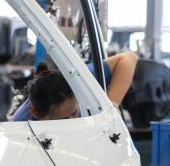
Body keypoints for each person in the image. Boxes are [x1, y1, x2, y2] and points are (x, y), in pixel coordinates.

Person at [10, 51, 140, 121]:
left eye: (74, 112)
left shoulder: (79, 81)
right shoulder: (21, 125)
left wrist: (111, 107)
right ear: (35, 113)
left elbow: (128, 58)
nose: (74, 121)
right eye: (64, 119)